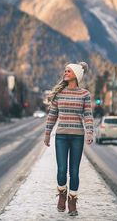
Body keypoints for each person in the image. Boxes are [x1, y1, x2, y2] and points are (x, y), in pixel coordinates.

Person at [44, 62, 94, 216]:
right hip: (61, 137)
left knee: (74, 171)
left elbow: (88, 115)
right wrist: (47, 133)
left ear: (76, 75)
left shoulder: (84, 94)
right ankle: (62, 195)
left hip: (77, 136)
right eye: (65, 70)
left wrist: (90, 132)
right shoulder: (59, 94)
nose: (65, 72)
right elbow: (52, 115)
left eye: (68, 71)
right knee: (61, 170)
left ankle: (72, 201)